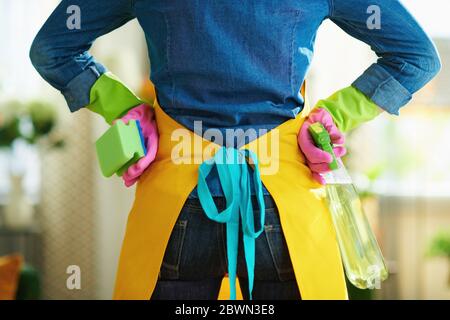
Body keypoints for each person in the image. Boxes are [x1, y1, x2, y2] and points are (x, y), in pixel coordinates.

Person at [30, 0, 440, 300]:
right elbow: (415, 57)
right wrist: (334, 114)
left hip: (175, 202)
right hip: (284, 203)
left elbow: (53, 49)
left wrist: (127, 109)